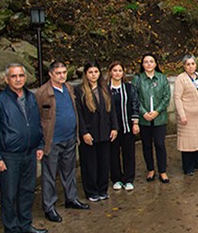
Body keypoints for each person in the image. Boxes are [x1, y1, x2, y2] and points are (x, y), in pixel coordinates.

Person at [0, 64, 47, 233]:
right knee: (9, 195)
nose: (18, 79)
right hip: (9, 155)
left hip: (29, 153)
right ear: (7, 79)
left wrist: (39, 144)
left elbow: (37, 123)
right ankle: (11, 232)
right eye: (14, 76)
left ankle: (25, 224)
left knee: (27, 190)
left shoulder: (31, 97)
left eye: (21, 75)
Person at [35, 61, 89, 224]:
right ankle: (49, 206)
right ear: (51, 74)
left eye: (64, 72)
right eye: (58, 73)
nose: (62, 75)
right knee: (50, 174)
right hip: (52, 139)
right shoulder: (43, 93)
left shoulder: (68, 88)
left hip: (69, 137)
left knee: (69, 170)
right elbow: (38, 117)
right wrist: (41, 142)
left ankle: (71, 198)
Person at [75, 61, 118, 201]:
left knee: (104, 162)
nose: (93, 75)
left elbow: (112, 111)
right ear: (86, 74)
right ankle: (91, 191)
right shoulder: (80, 91)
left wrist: (114, 127)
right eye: (90, 72)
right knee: (90, 163)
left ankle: (102, 189)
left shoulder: (105, 89)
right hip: (89, 132)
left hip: (104, 131)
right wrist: (84, 132)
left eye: (96, 72)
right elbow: (79, 114)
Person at [133, 53, 170, 184]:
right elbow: (134, 98)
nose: (148, 64)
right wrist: (143, 113)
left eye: (151, 61)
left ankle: (162, 171)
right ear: (142, 64)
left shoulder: (162, 78)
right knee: (146, 145)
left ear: (156, 64)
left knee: (160, 144)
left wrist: (157, 111)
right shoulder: (137, 79)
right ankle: (150, 169)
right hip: (144, 119)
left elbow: (166, 97)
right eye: (146, 62)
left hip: (159, 118)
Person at [108, 61, 140, 191]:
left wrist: (135, 122)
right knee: (113, 154)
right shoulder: (105, 89)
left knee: (129, 153)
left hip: (127, 125)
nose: (117, 73)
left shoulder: (128, 87)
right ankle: (116, 179)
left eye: (120, 70)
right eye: (115, 70)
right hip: (112, 128)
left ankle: (128, 179)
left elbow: (135, 104)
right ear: (110, 72)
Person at [174, 54, 198, 176]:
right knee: (188, 142)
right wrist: (182, 115)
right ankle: (188, 167)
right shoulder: (181, 79)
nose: (190, 66)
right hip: (187, 116)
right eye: (188, 64)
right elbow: (177, 98)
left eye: (192, 64)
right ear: (184, 66)